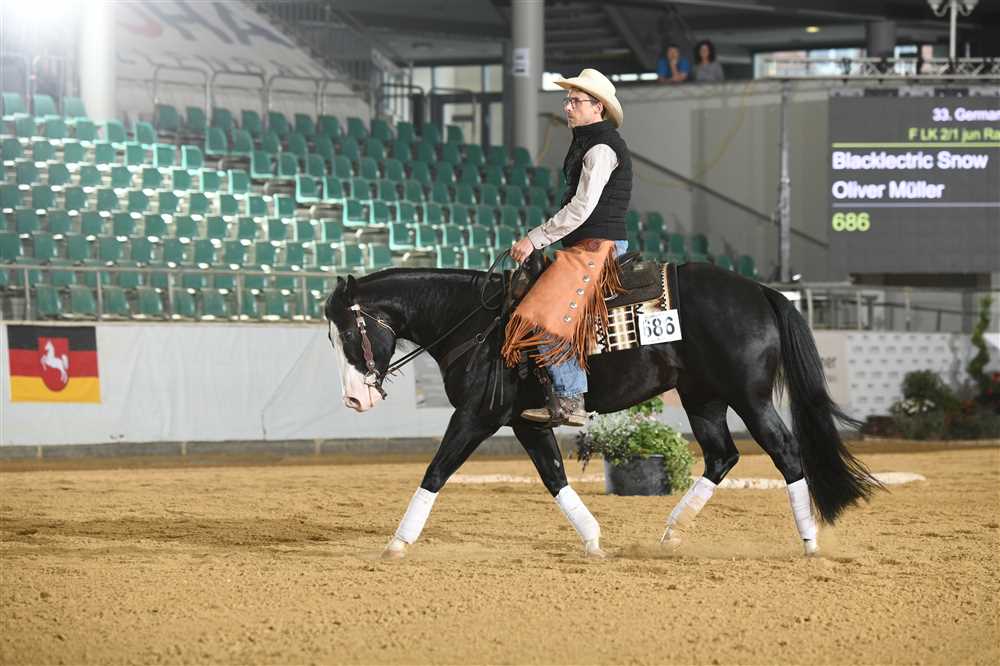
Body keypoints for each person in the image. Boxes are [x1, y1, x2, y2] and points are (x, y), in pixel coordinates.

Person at [503, 68, 631, 427]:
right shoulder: (590, 143)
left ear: (598, 107)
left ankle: (571, 399)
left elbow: (581, 208)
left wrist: (535, 238)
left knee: (544, 315)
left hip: (597, 246)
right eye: (568, 100)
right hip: (587, 244)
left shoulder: (601, 148)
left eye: (576, 101)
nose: (568, 106)